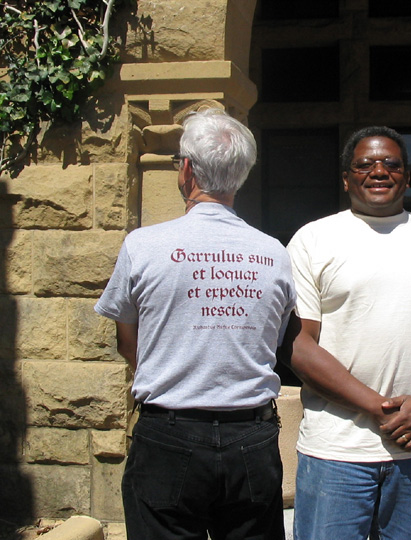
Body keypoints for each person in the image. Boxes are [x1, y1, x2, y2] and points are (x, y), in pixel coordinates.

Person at [94, 108, 296, 540]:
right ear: (240, 176)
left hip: (168, 432)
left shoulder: (143, 245)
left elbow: (129, 343)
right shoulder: (275, 253)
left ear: (186, 169)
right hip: (251, 436)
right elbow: (270, 340)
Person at [284, 126, 411, 540]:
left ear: (407, 177)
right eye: (365, 164)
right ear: (346, 178)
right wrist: (380, 408)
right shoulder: (313, 239)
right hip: (336, 452)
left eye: (391, 164)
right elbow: (298, 345)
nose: (379, 171)